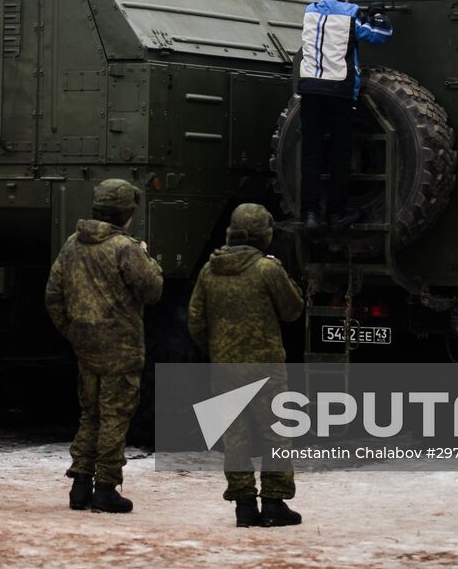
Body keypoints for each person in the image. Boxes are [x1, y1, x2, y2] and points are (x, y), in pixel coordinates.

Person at [44, 178, 163, 513]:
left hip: (86, 347)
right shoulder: (125, 248)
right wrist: (146, 256)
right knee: (114, 417)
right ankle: (106, 489)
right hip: (121, 348)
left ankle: (80, 486)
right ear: (126, 213)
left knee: (90, 414)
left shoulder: (72, 244)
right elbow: (153, 289)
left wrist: (75, 332)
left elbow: (53, 297)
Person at [187, 204, 305, 528]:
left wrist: (216, 349)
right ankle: (273, 503)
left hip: (224, 367)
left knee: (234, 436)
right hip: (264, 367)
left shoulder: (210, 270)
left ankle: (243, 506)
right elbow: (293, 310)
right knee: (276, 434)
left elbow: (195, 320)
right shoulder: (267, 270)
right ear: (263, 235)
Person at [297, 0, 392, 239]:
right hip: (339, 91)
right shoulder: (350, 14)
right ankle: (337, 214)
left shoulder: (310, 12)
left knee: (311, 155)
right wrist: (377, 15)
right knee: (340, 154)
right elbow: (380, 35)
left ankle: (310, 214)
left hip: (310, 89)